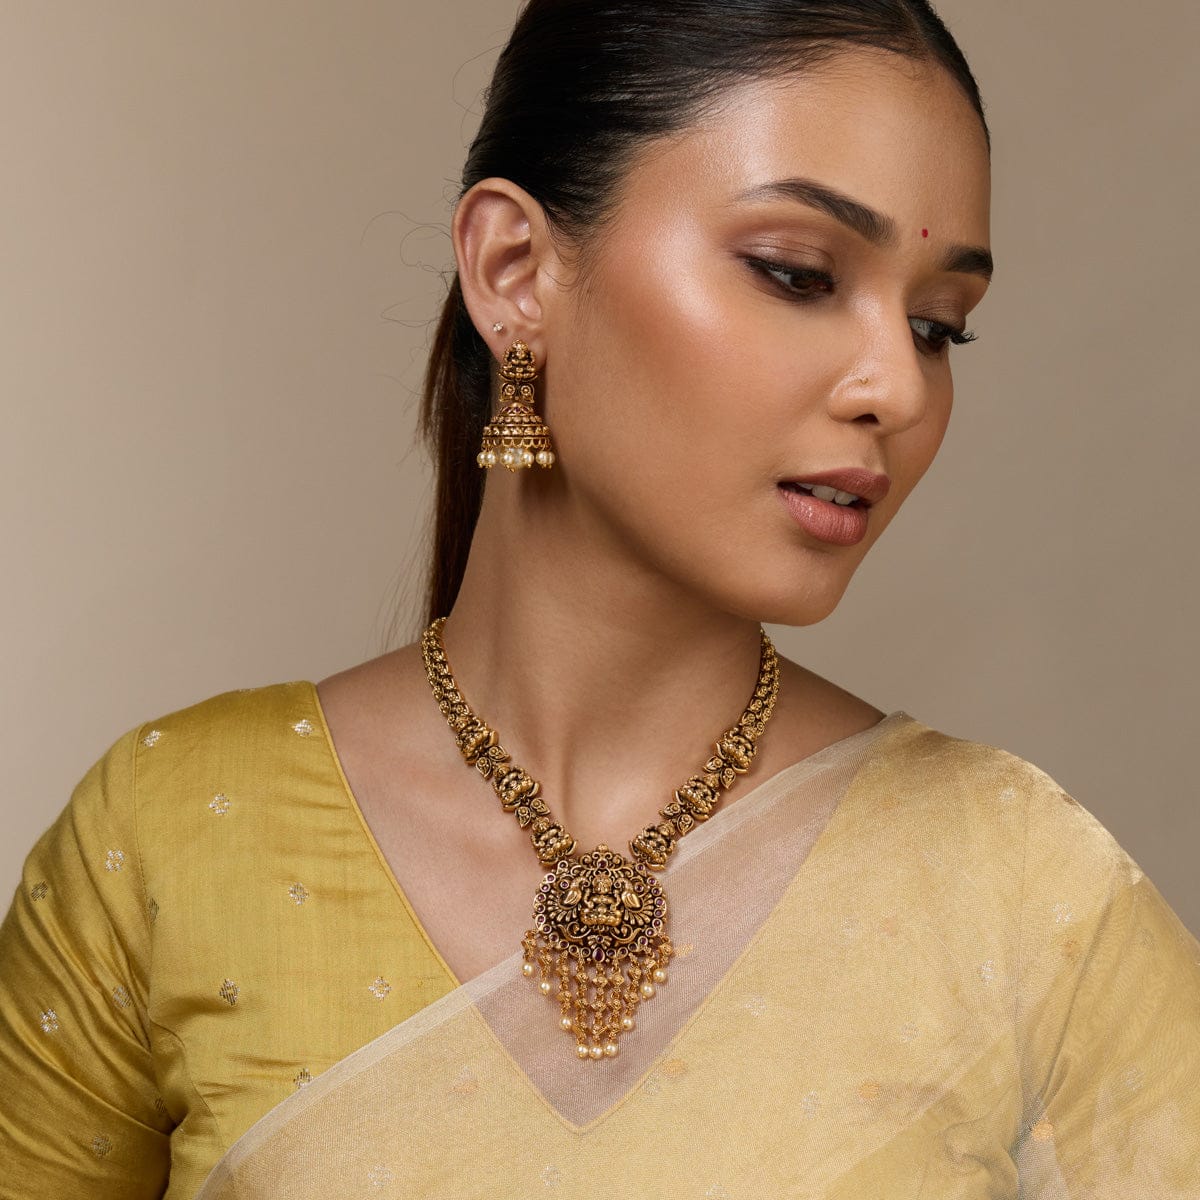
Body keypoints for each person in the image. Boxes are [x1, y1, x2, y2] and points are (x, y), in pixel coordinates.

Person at [2, 1, 1198, 1195]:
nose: (899, 386)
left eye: (939, 328)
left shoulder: (1020, 884)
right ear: (515, 272)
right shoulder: (171, 840)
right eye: (797, 274)